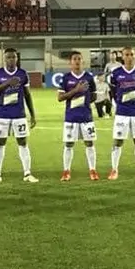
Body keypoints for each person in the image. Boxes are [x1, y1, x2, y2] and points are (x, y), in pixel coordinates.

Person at [0, 48, 38, 183]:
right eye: (9, 57)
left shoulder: (22, 74)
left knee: (23, 143)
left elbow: (27, 95)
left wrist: (32, 115)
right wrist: (7, 83)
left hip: (19, 115)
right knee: (0, 143)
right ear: (5, 59)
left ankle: (27, 173)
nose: (11, 59)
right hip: (2, 115)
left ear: (17, 59)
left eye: (14, 57)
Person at [108, 46, 135, 180]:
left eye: (131, 54)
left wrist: (133, 100)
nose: (129, 57)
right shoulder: (116, 73)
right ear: (122, 57)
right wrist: (120, 102)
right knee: (118, 141)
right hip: (121, 113)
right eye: (126, 55)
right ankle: (114, 170)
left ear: (134, 56)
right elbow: (112, 91)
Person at [58, 51, 99, 181]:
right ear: (70, 62)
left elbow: (94, 96)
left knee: (89, 143)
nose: (77, 61)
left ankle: (93, 170)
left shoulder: (89, 77)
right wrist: (76, 90)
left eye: (79, 59)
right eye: (74, 59)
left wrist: (83, 102)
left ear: (83, 61)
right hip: (71, 117)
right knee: (69, 144)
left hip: (86, 117)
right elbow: (60, 97)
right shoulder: (66, 78)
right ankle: (66, 171)